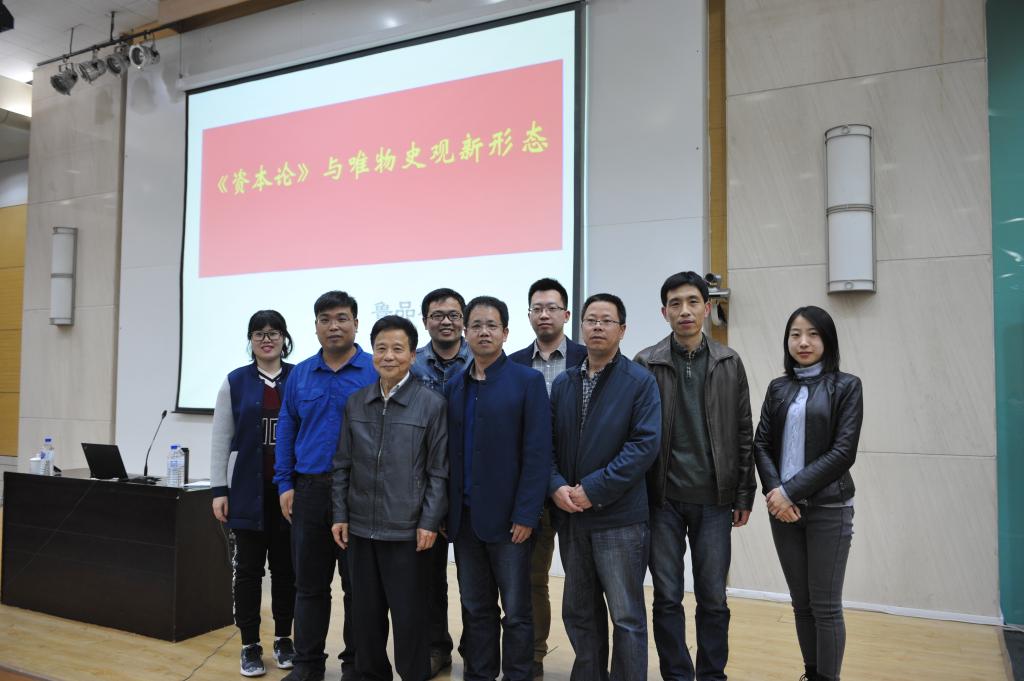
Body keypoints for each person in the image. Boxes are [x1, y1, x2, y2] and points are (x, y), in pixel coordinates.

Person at [634, 271, 754, 681]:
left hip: (715, 501)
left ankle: (711, 675)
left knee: (713, 598)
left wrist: (744, 494)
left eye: (692, 302)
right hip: (662, 500)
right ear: (664, 312)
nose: (684, 311)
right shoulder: (646, 362)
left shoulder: (728, 362)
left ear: (707, 307)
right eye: (675, 304)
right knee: (667, 597)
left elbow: (743, 432)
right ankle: (677, 674)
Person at [549, 293, 661, 681]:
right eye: (591, 320)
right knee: (580, 612)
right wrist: (556, 486)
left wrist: (593, 489)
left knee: (626, 615)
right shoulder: (563, 383)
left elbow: (643, 447)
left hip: (620, 520)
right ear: (580, 326)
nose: (597, 326)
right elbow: (547, 445)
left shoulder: (639, 382)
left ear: (622, 330)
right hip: (573, 517)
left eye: (606, 320)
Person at [331, 315, 448, 681]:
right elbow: (342, 464)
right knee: (365, 616)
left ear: (413, 355)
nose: (389, 356)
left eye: (398, 349)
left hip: (407, 532)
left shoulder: (431, 404)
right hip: (361, 529)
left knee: (410, 618)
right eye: (381, 348)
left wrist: (429, 521)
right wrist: (340, 514)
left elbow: (439, 472)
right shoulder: (356, 403)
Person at [445, 296, 552, 681]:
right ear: (465, 332)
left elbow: (538, 453)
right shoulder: (455, 385)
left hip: (511, 523)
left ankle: (518, 674)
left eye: (492, 325)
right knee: (476, 609)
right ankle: (480, 674)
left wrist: (527, 514)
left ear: (506, 332)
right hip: (465, 522)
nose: (484, 332)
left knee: (517, 611)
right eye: (476, 325)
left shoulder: (527, 381)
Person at [753, 306, 862, 681]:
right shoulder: (778, 388)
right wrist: (775, 493)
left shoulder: (846, 386)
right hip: (783, 512)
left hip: (829, 508)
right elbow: (761, 444)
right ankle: (811, 674)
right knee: (801, 604)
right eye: (795, 334)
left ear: (827, 340)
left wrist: (788, 492)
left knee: (826, 607)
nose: (803, 342)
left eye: (813, 334)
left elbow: (842, 452)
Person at [275, 291, 378, 681]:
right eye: (325, 319)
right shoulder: (301, 374)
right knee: (309, 585)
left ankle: (356, 666)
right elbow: (287, 428)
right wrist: (285, 483)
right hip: (311, 491)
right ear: (315, 326)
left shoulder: (374, 370)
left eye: (341, 318)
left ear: (356, 323)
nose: (334, 326)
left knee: (359, 588)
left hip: (361, 493)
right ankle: (307, 665)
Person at [211, 310, 298, 677]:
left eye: (274, 332)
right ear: (250, 339)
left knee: (286, 571)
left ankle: (283, 638)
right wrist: (219, 489)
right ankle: (249, 644)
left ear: (284, 338)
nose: (267, 339)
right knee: (247, 572)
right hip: (247, 493)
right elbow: (221, 438)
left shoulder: (299, 377)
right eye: (259, 333)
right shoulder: (235, 381)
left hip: (289, 494)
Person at [508, 277, 586, 678]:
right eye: (537, 308)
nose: (544, 314)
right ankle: (533, 657)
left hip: (579, 491)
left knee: (583, 583)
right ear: (528, 315)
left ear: (566, 314)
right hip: (531, 492)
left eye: (552, 308)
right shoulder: (513, 364)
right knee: (532, 579)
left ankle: (589, 662)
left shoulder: (589, 357)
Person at [410, 287, 468, 677]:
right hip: (423, 485)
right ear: (425, 320)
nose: (445, 321)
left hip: (470, 483)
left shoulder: (480, 359)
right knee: (428, 579)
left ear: (463, 319)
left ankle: (477, 650)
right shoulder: (412, 365)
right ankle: (436, 647)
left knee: (475, 577)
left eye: (453, 314)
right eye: (437, 315)